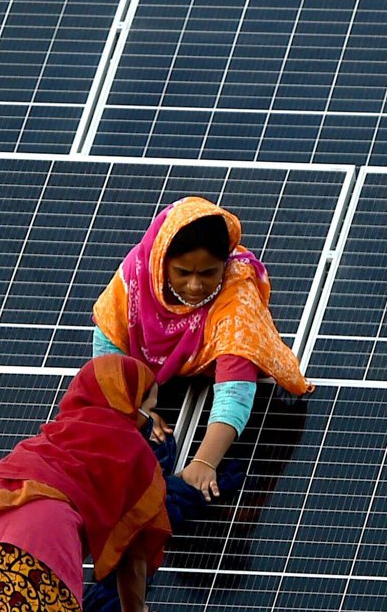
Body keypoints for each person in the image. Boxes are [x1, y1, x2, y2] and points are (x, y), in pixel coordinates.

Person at [0, 354, 172, 612]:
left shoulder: (54, 434)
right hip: (38, 532)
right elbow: (134, 556)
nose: (150, 421)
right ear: (129, 404)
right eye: (148, 410)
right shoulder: (131, 451)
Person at [91, 196, 310, 502]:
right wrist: (137, 412)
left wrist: (204, 462)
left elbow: (235, 389)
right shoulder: (137, 275)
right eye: (183, 272)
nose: (195, 286)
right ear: (162, 262)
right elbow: (108, 348)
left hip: (216, 368)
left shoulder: (237, 301)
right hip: (150, 383)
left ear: (224, 264)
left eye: (208, 273)